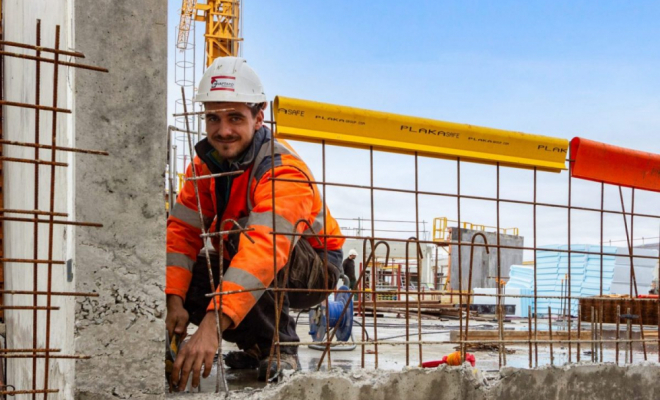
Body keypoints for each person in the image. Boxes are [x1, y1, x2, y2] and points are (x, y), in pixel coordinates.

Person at [165, 57, 345, 389]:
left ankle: (281, 348)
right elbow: (181, 233)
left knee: (241, 234)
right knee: (191, 277)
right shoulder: (204, 167)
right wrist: (174, 299)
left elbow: (265, 247)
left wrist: (211, 326)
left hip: (315, 266)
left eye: (235, 117)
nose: (223, 130)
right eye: (213, 118)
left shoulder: (282, 168)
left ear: (258, 117)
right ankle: (258, 346)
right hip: (249, 252)